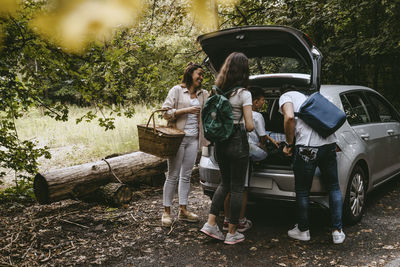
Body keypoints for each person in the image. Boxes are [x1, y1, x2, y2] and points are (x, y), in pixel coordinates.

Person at [200, 52, 254, 245]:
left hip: (220, 143)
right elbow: (249, 126)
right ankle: (232, 233)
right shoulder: (244, 94)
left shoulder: (217, 91)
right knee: (238, 187)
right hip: (238, 142)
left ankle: (211, 223)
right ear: (243, 71)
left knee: (224, 184)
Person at [279, 89, 346, 244]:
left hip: (307, 148)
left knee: (302, 190)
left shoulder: (286, 96)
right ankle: (337, 232)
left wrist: (289, 145)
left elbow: (289, 117)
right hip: (329, 145)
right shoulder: (312, 96)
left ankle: (303, 230)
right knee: (334, 187)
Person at [222, 87, 279, 233]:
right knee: (242, 187)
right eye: (261, 101)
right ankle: (240, 222)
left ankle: (226, 220)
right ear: (254, 101)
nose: (262, 104)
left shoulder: (232, 110)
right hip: (244, 151)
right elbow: (261, 136)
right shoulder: (257, 116)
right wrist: (266, 148)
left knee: (228, 186)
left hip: (228, 148)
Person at [161, 62, 209, 227]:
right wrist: (185, 111)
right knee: (173, 174)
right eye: (199, 74)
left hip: (194, 139)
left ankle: (183, 210)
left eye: (203, 75)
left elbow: (210, 113)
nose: (201, 78)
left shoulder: (204, 94)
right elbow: (165, 113)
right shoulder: (177, 90)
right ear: (190, 74)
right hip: (177, 138)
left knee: (186, 175)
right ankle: (166, 212)